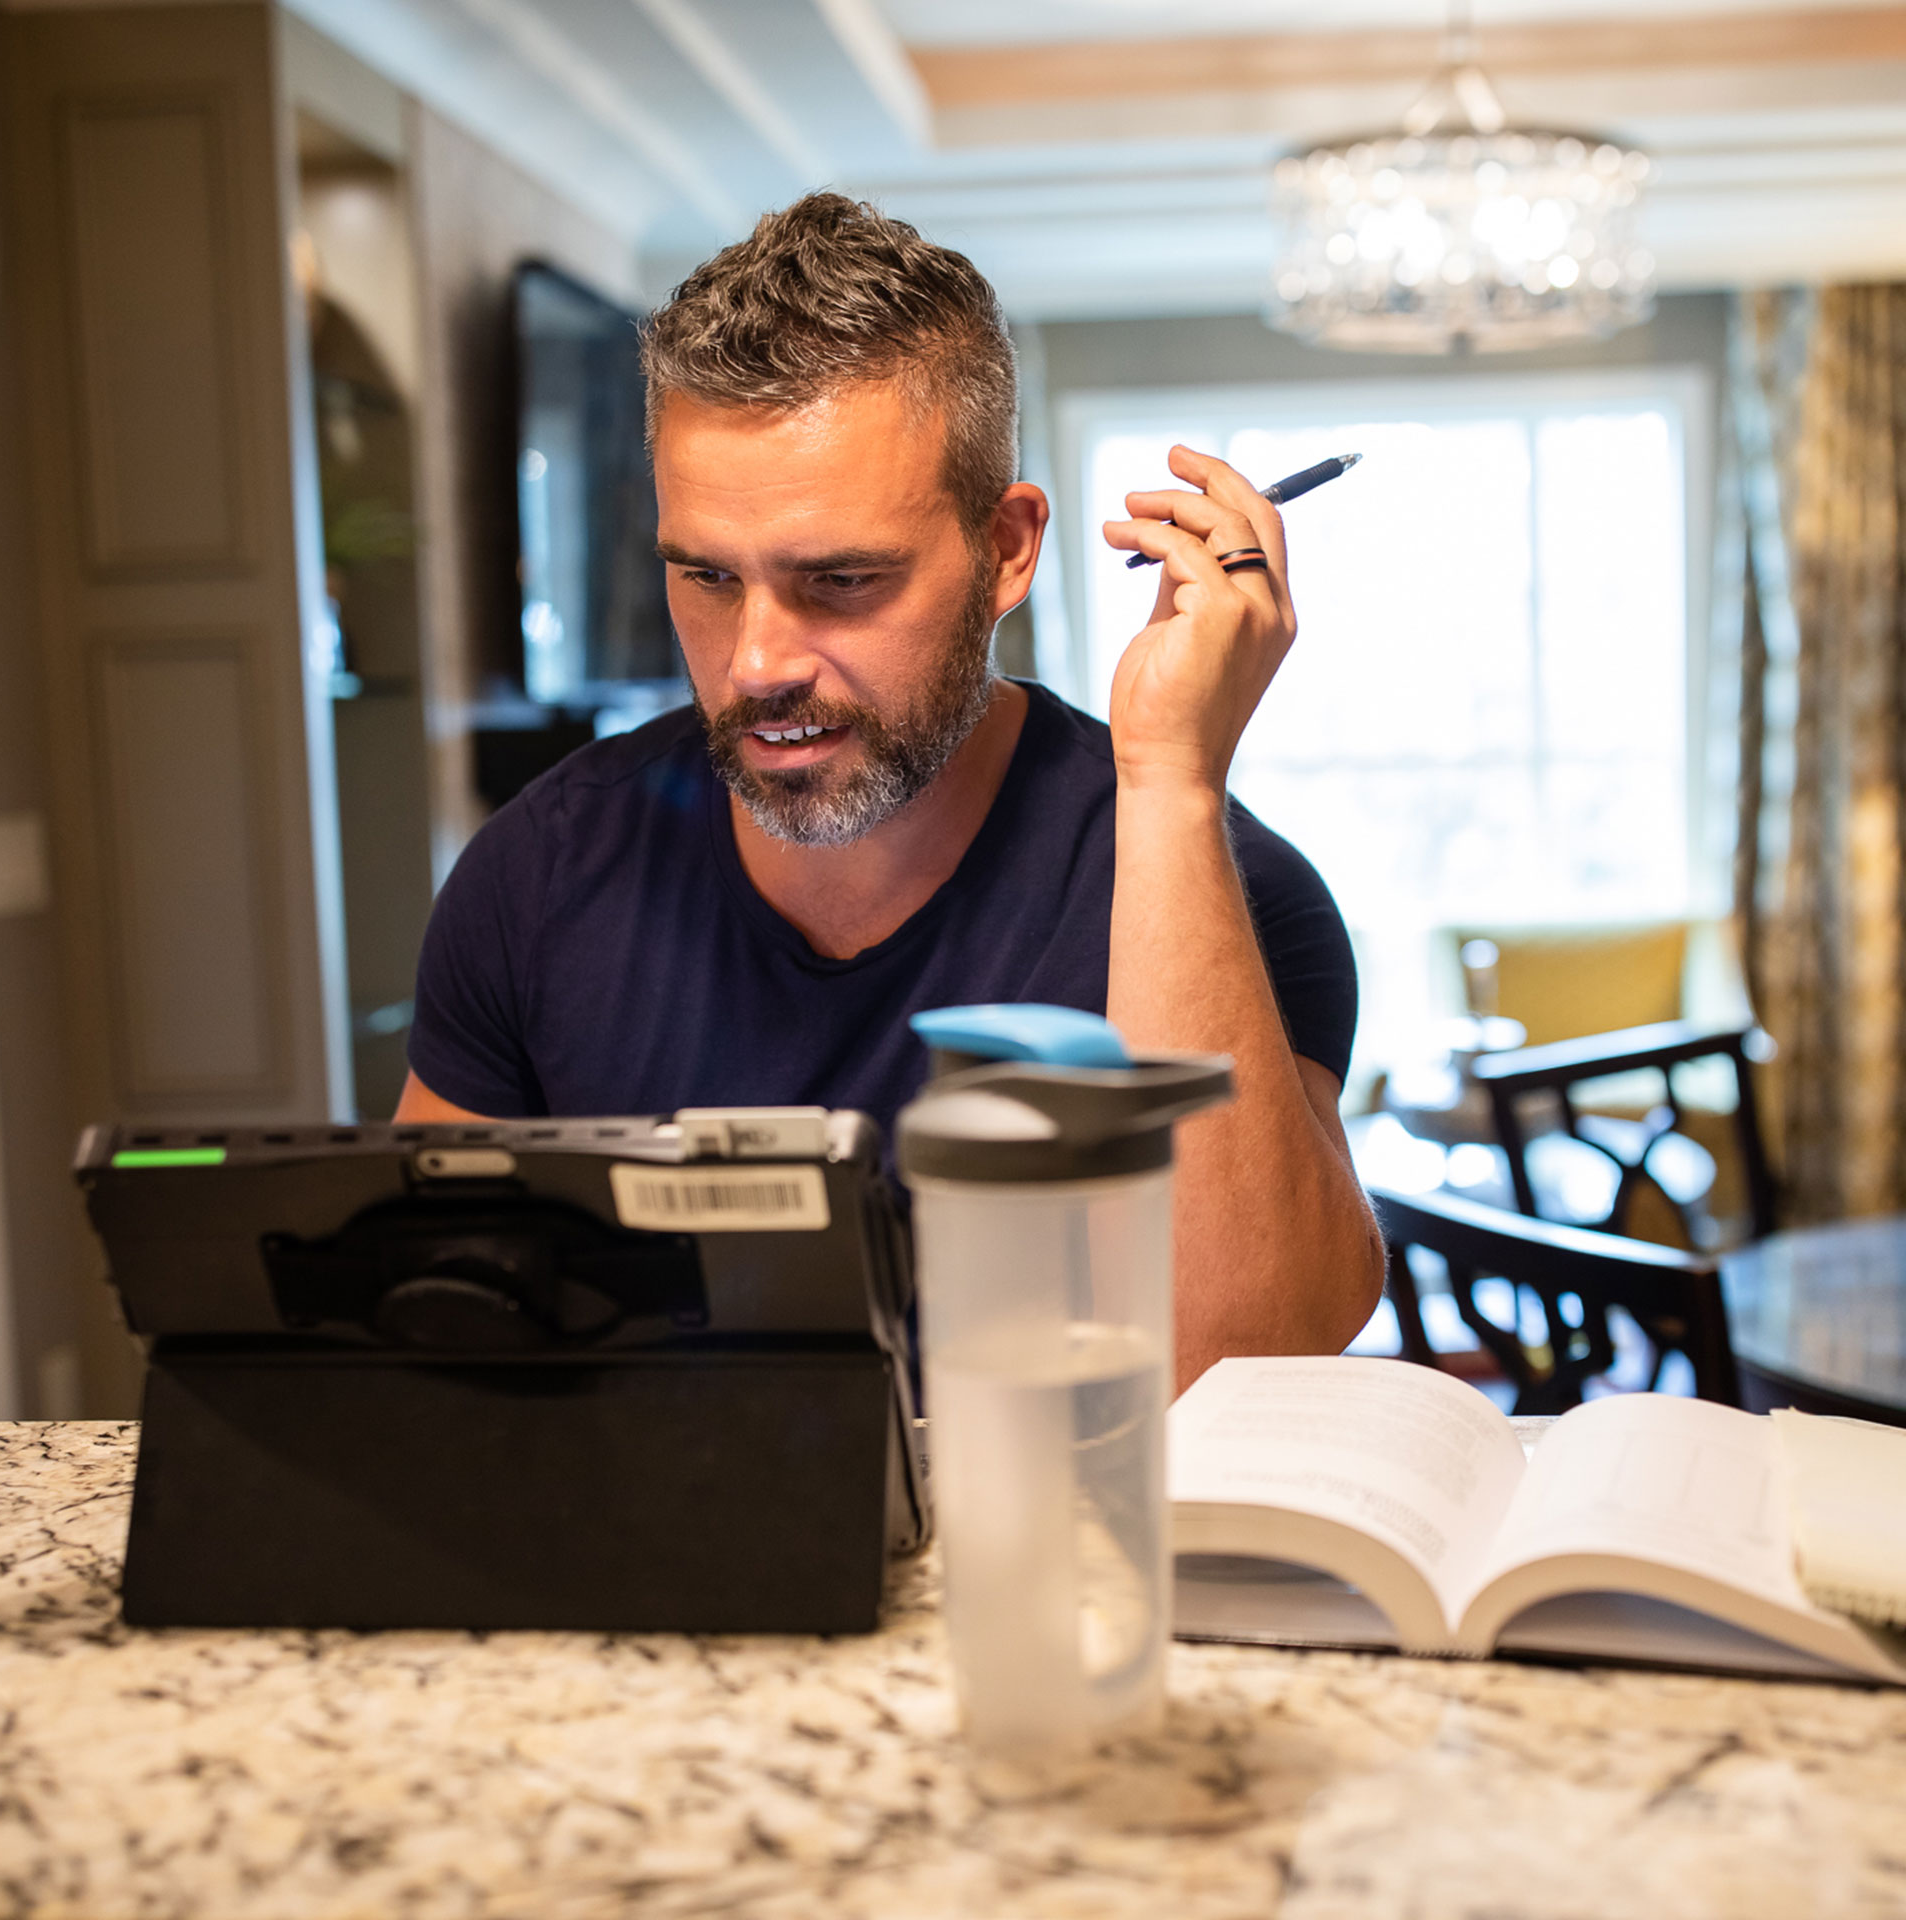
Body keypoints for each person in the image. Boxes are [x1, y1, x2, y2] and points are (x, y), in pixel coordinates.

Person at [396, 194, 1383, 1385]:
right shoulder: (538, 875)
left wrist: (1172, 782)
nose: (757, 662)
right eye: (706, 575)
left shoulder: (1230, 896)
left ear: (1008, 549)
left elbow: (1247, 1359)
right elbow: (423, 1335)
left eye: (844, 579)